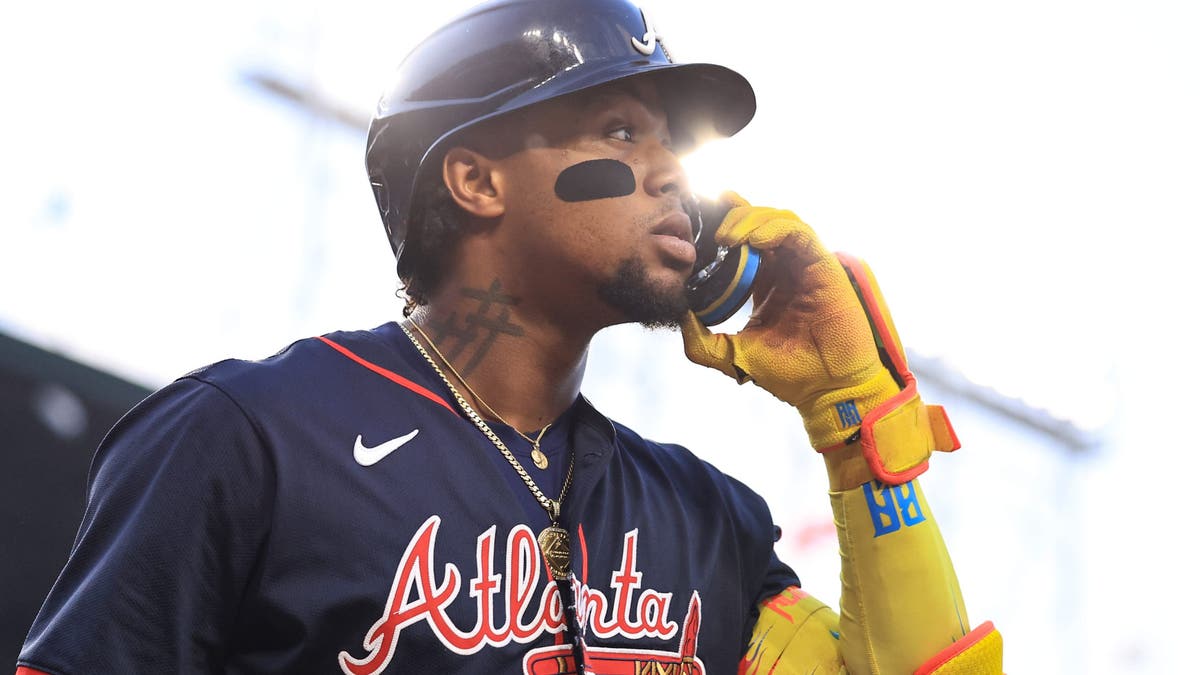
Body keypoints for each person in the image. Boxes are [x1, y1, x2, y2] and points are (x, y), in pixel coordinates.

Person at [16, 0, 1003, 673]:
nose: (672, 174)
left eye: (672, 143)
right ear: (476, 180)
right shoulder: (250, 437)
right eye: (620, 130)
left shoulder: (708, 524)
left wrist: (859, 426)